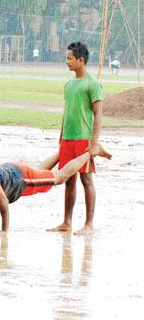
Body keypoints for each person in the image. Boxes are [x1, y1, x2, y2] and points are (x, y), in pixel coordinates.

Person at [0, 145, 111, 234]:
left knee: (58, 178)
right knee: (40, 172)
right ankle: (62, 152)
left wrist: (4, 231)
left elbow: (3, 200)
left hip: (19, 180)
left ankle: (90, 153)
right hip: (13, 170)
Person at [48, 42, 104, 236]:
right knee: (67, 180)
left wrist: (94, 143)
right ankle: (67, 222)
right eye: (67, 58)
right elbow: (67, 110)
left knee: (86, 179)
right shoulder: (69, 84)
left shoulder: (93, 84)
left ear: (81, 60)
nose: (67, 62)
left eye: (70, 58)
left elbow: (98, 115)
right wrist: (61, 133)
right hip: (68, 139)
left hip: (83, 140)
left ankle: (89, 224)